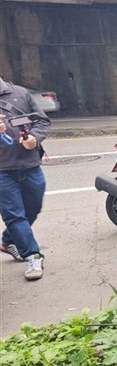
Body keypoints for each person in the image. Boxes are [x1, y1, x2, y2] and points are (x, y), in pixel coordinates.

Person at [0, 77, 51, 281]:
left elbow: (41, 121)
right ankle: (32, 255)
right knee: (14, 215)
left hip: (30, 165)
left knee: (34, 208)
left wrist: (34, 138)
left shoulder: (20, 93)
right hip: (2, 171)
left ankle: (7, 240)